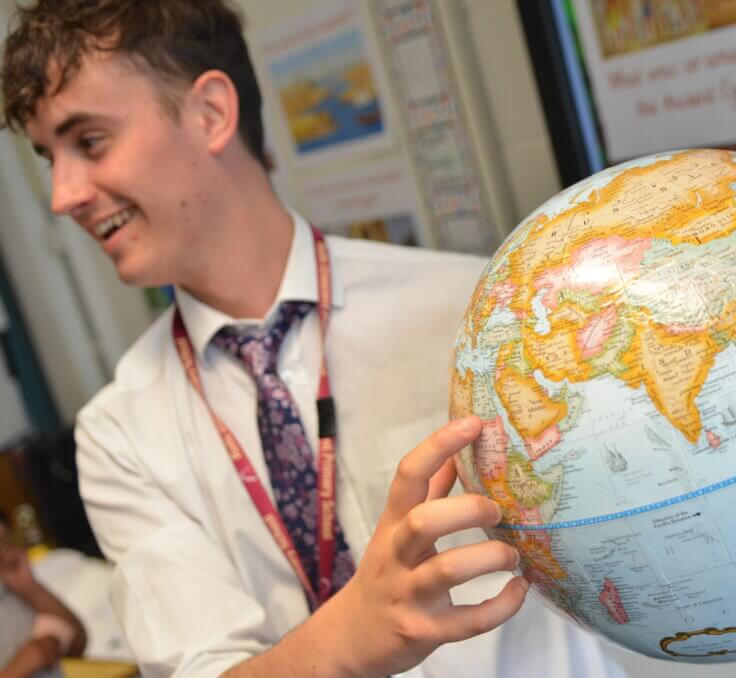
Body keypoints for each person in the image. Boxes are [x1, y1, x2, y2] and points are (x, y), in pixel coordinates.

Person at [1, 2, 626, 677]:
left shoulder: (474, 311)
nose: (62, 196)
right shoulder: (117, 435)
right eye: (48, 157)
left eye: (88, 142)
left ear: (211, 114)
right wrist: (349, 638)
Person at [0, 518, 87, 678]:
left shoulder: (9, 580)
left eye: (5, 540)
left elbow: (78, 644)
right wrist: (19, 668)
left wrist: (30, 587)